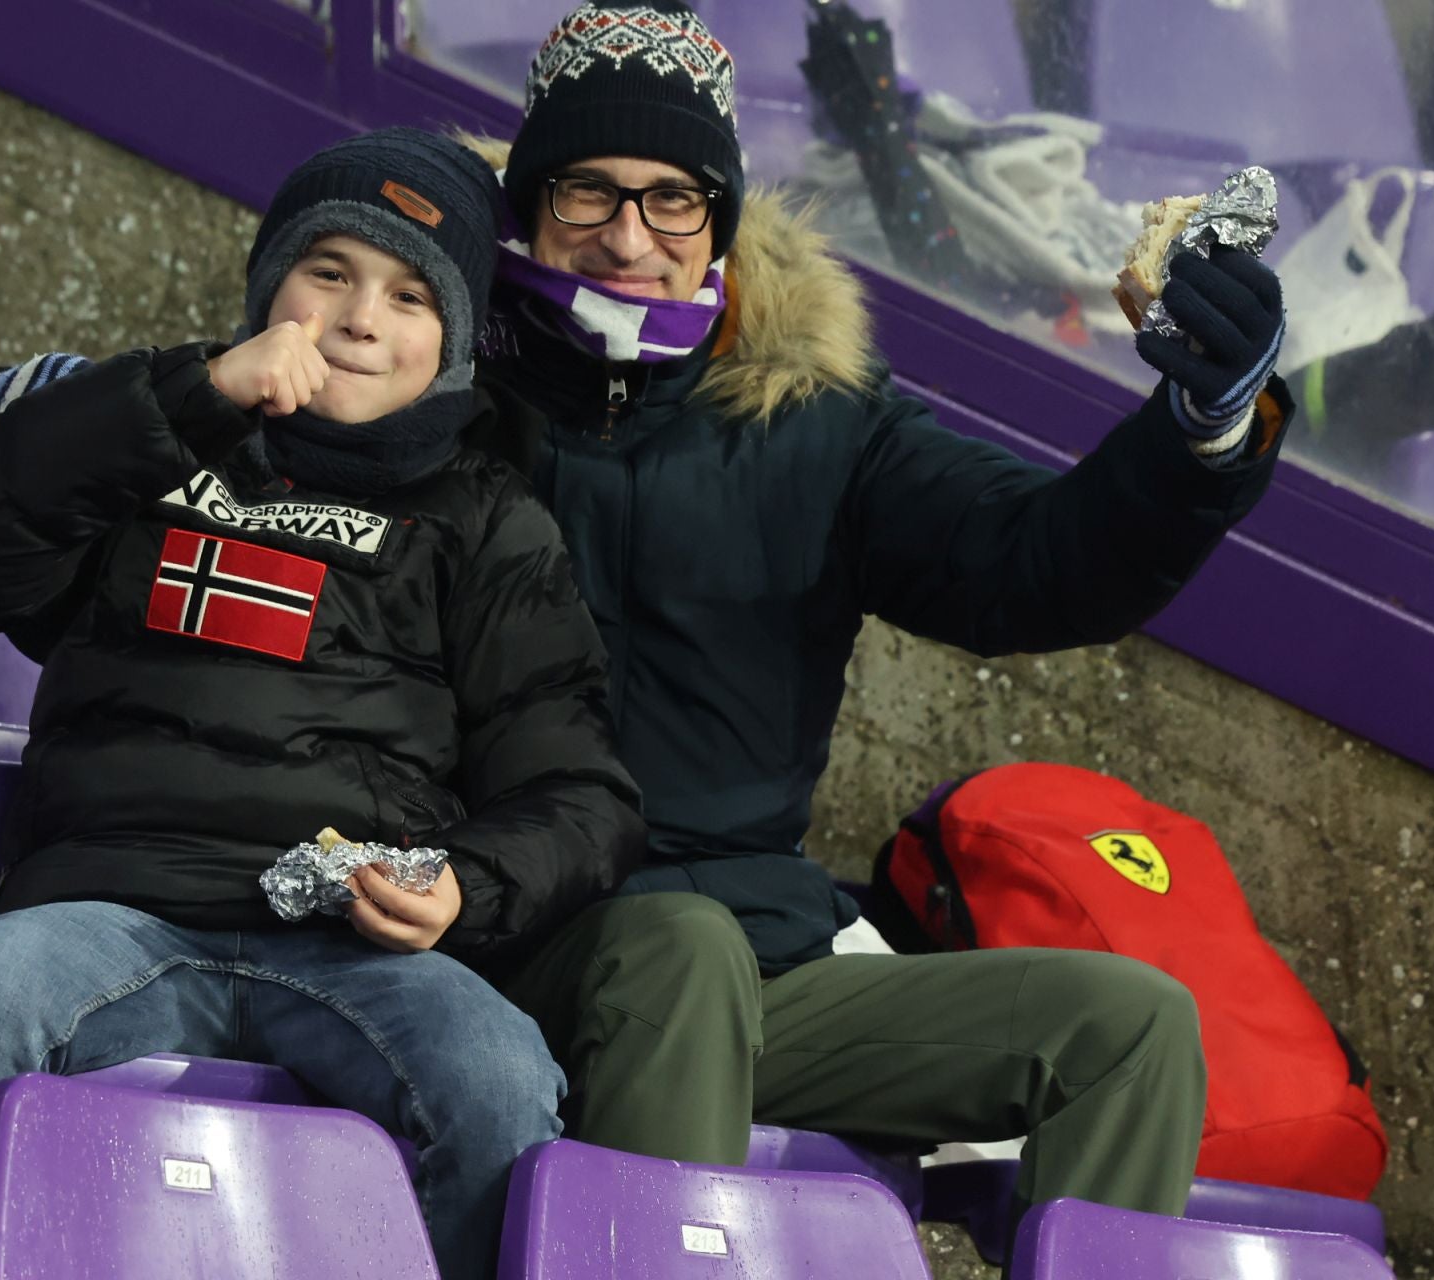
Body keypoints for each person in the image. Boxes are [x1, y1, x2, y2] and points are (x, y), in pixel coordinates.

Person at [474, 0, 1292, 1249]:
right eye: (587, 192)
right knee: (678, 947)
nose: (628, 236)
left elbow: (1038, 563)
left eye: (672, 199)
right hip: (501, 943)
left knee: (1125, 1027)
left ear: (720, 222)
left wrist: (1204, 430)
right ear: (530, 204)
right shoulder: (439, 383)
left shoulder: (815, 416)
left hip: (761, 970)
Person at [0, 127, 644, 1280]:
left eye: (408, 294)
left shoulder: (490, 521)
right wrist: (192, 395)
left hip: (348, 946)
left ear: (456, 340)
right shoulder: (158, 442)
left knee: (496, 1072)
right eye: (328, 271)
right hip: (107, 908)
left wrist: (466, 888)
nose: (360, 319)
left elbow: (578, 791)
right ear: (267, 288)